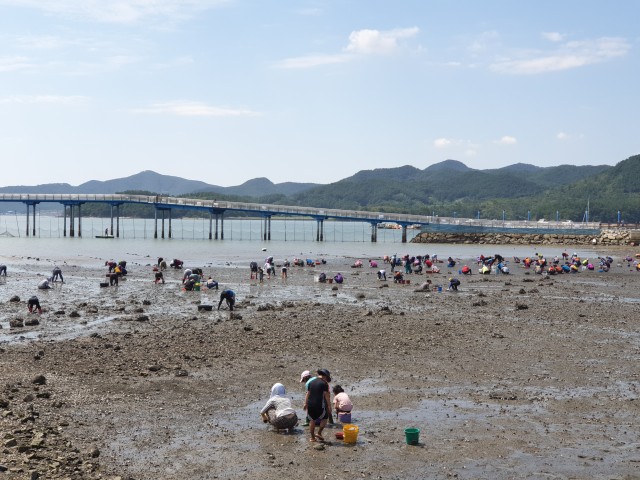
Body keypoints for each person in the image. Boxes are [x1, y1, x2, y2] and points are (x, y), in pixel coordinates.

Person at [304, 369, 332, 442]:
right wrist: (329, 406)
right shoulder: (324, 383)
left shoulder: (311, 382)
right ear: (325, 376)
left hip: (310, 405)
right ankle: (319, 433)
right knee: (325, 418)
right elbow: (326, 396)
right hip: (319, 404)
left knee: (312, 420)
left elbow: (307, 393)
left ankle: (313, 438)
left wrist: (305, 403)